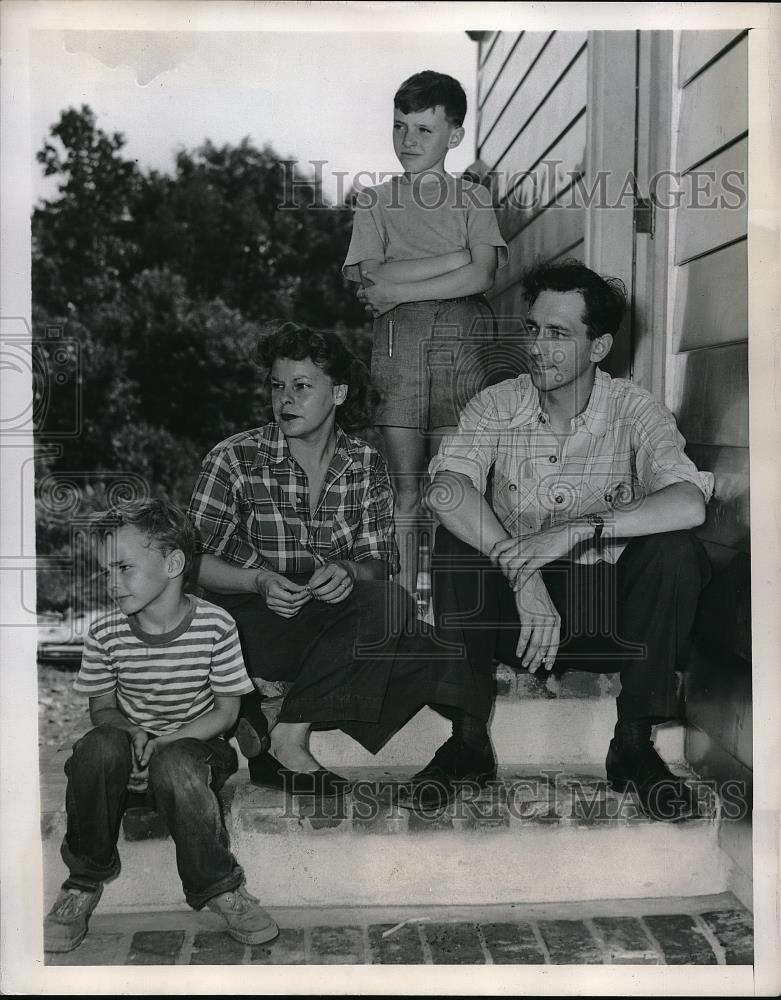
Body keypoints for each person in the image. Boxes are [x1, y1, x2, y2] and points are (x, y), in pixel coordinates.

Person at [424, 259, 715, 821]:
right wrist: (523, 573)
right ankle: (467, 743)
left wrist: (581, 528)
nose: (537, 346)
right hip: (518, 620)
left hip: (607, 620)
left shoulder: (635, 407)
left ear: (599, 346)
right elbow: (445, 490)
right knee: (455, 542)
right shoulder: (497, 403)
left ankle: (632, 746)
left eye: (558, 333)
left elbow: (689, 501)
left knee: (677, 550)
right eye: (532, 328)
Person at [187, 323, 493, 802]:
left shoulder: (365, 463)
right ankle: (288, 736)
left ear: (339, 393)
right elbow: (190, 564)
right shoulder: (234, 458)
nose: (284, 399)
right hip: (250, 623)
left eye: (301, 387)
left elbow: (377, 563)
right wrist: (258, 581)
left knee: (420, 634)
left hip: (329, 622)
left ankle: (275, 720)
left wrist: (349, 572)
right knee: (391, 631)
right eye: (276, 386)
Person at [44, 499, 279, 954]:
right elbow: (102, 709)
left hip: (195, 748)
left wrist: (166, 740)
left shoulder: (215, 625)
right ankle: (81, 883)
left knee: (174, 765)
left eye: (124, 567)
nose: (112, 583)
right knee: (95, 748)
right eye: (105, 572)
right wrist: (133, 734)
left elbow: (225, 714)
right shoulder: (106, 633)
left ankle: (219, 887)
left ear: (173, 563)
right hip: (131, 749)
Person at [343, 69, 509, 597]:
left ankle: (450, 606)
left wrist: (399, 285)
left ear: (454, 137)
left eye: (423, 131)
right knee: (406, 489)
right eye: (399, 128)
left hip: (462, 348)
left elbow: (482, 274)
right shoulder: (375, 201)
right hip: (399, 351)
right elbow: (371, 280)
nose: (407, 141)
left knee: (454, 484)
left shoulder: (473, 199)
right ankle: (404, 605)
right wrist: (452, 258)